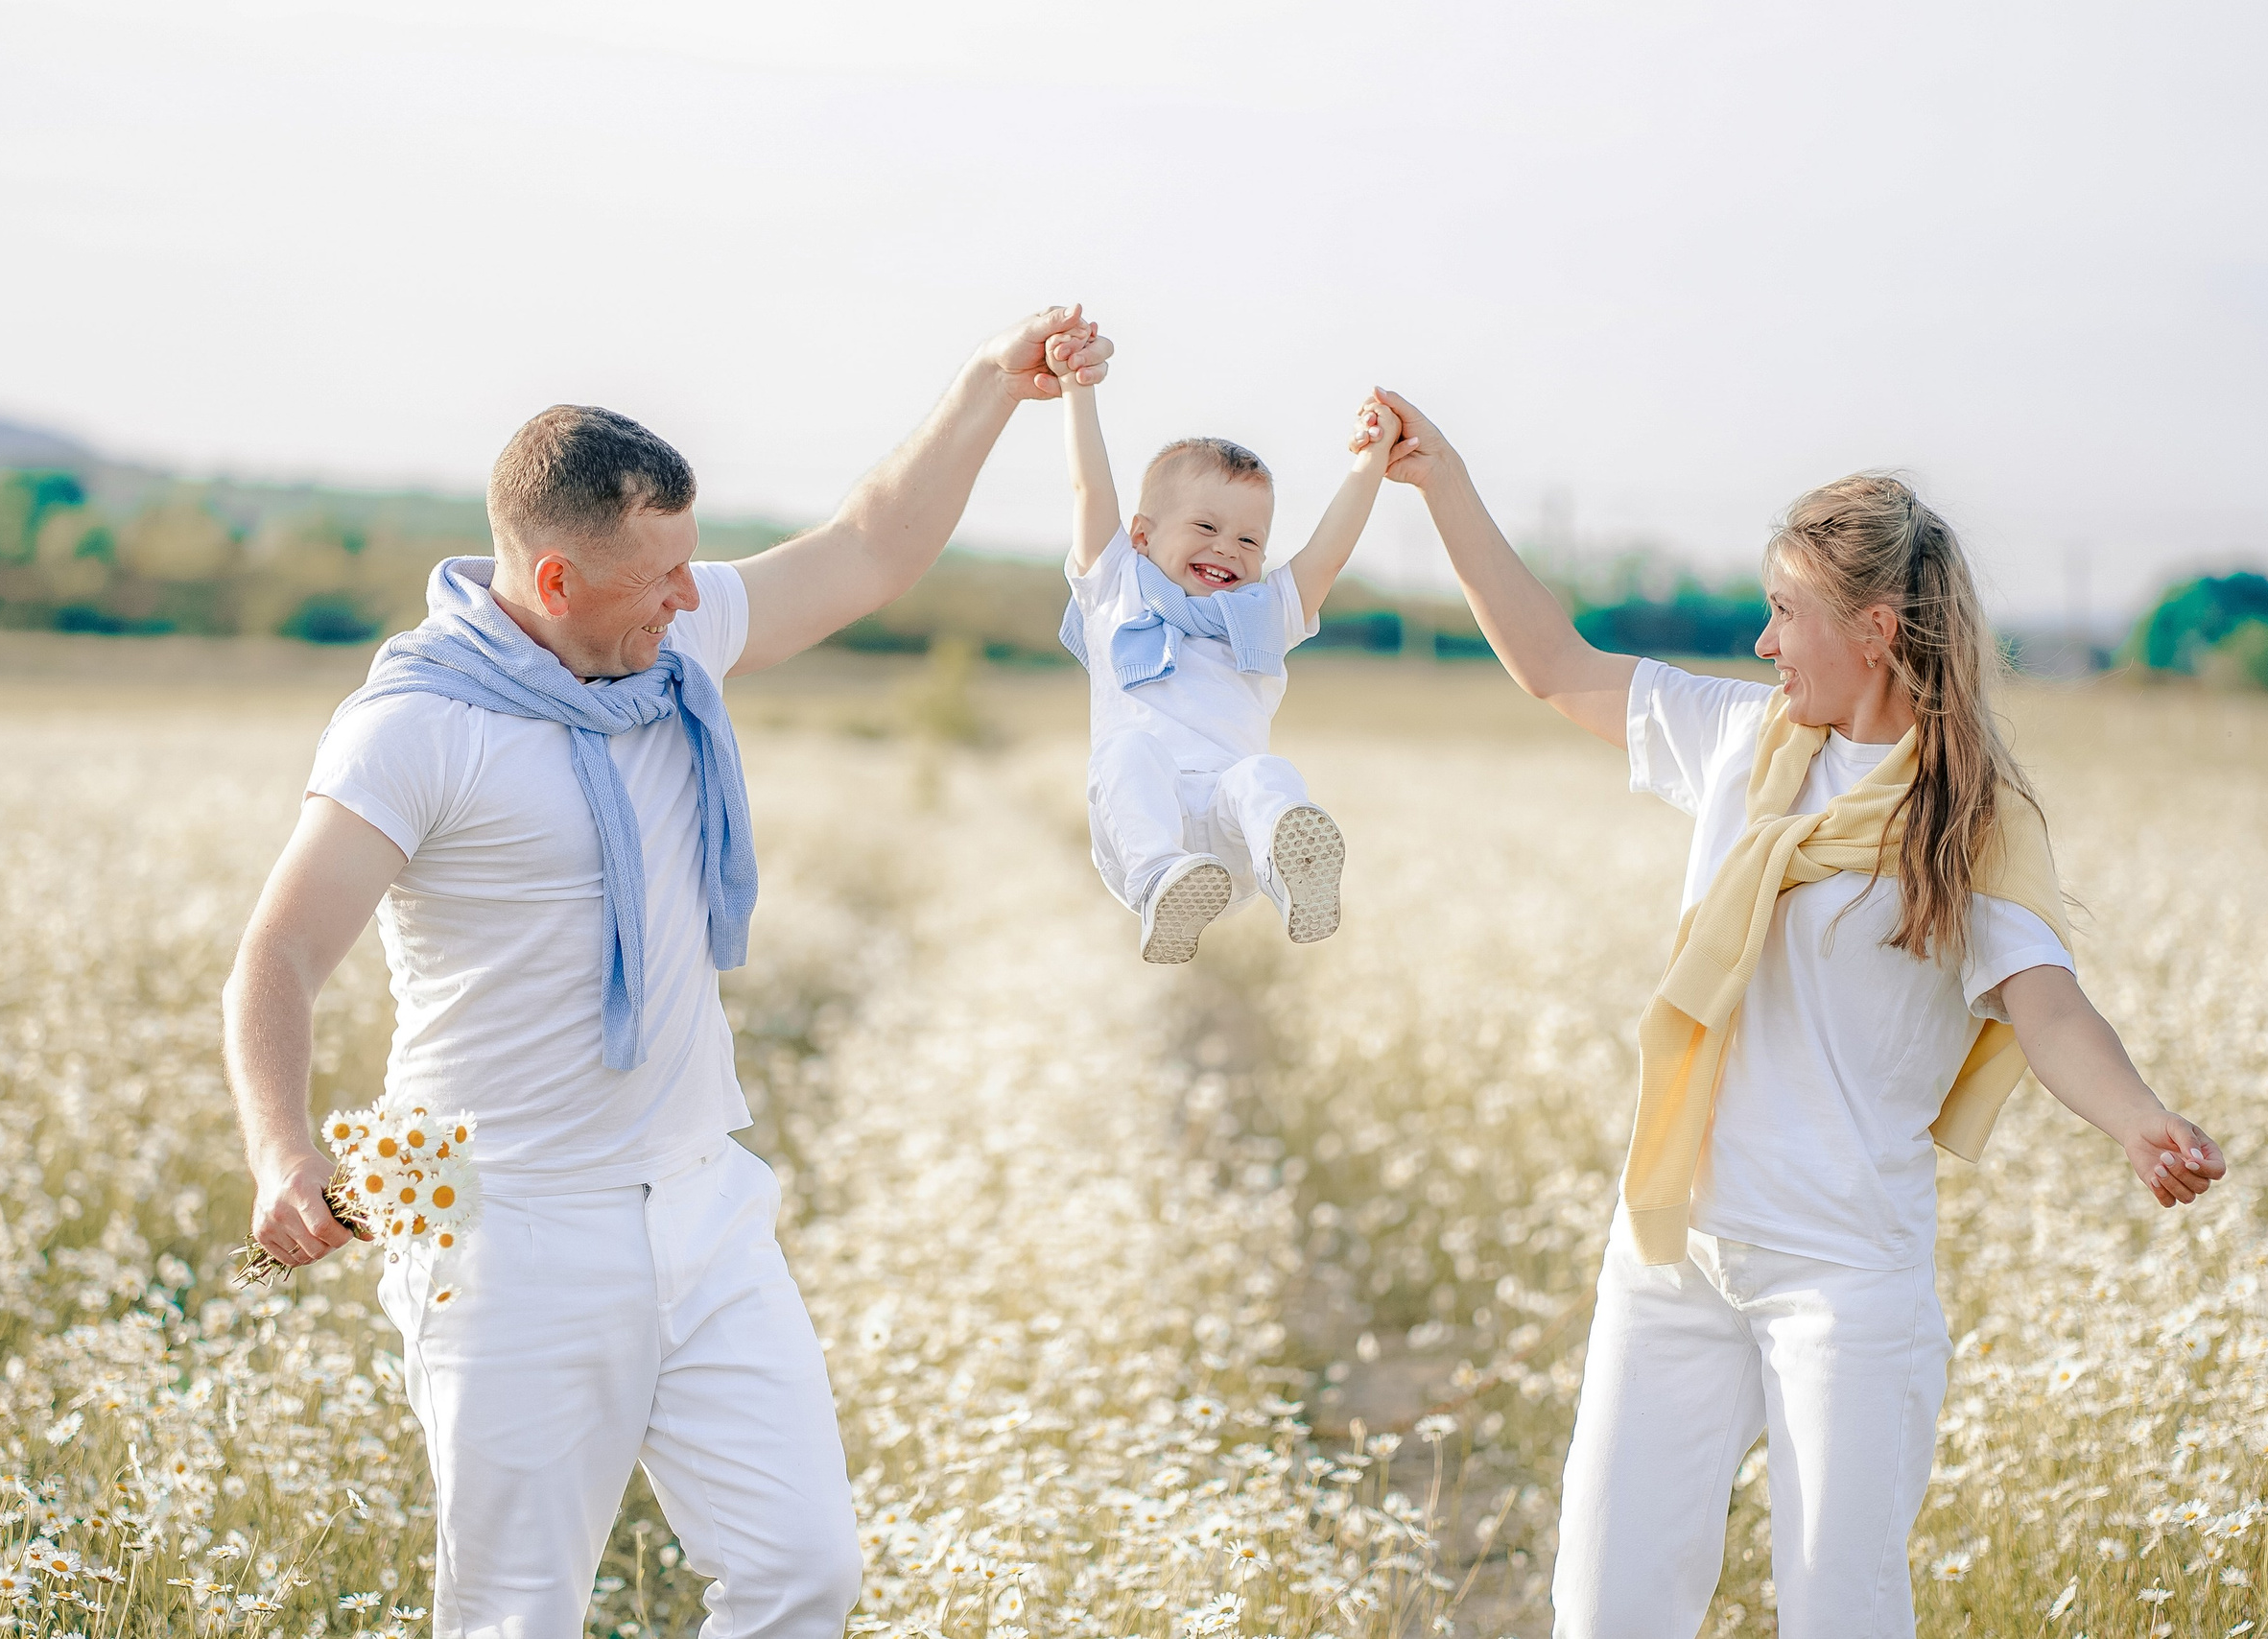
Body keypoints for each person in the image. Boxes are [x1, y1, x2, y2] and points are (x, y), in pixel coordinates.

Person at [222, 307, 1112, 1639]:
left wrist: (994, 387)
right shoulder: (416, 728)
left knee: (804, 1575)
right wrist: (282, 1157)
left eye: (694, 564)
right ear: (560, 583)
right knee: (516, 1617)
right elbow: (277, 956)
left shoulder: (670, 652)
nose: (695, 595)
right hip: (504, 1231)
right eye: (661, 574)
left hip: (703, 1207)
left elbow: (868, 544)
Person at [1369, 390, 2229, 1639]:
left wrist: (2142, 1120)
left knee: (1842, 1615)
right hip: (1673, 1259)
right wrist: (1438, 479)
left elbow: (2048, 1008)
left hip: (1843, 1282)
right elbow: (1554, 669)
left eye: (1786, 612)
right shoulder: (1740, 745)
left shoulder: (1962, 821)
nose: (1765, 645)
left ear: (1874, 629)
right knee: (1605, 1612)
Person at [1050, 316, 1400, 962]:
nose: (1225, 549)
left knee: (1262, 774)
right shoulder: (1116, 590)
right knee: (1128, 752)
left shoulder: (1261, 613)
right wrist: (1079, 388)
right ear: (1141, 536)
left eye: (1248, 540)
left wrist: (1369, 462)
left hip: (1231, 848)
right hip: (1142, 836)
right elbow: (1088, 485)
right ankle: (1163, 886)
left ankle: (1293, 878)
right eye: (1205, 525)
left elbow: (1326, 554)